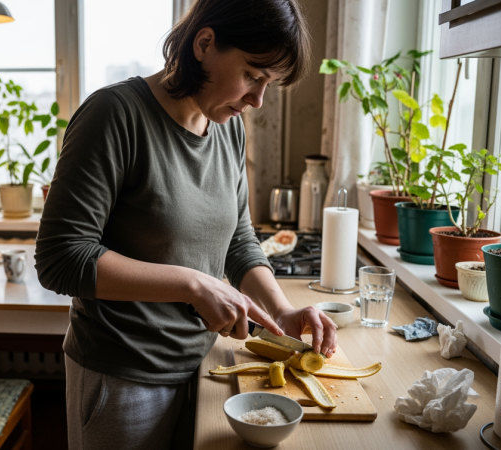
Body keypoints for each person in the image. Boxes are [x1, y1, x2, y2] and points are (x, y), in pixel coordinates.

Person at [35, 1, 338, 448]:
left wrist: (282, 310)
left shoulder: (228, 127)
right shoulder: (114, 114)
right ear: (205, 44)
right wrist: (193, 284)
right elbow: (61, 259)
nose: (257, 100)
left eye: (268, 85)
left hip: (207, 367)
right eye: (254, 75)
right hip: (122, 380)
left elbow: (238, 239)